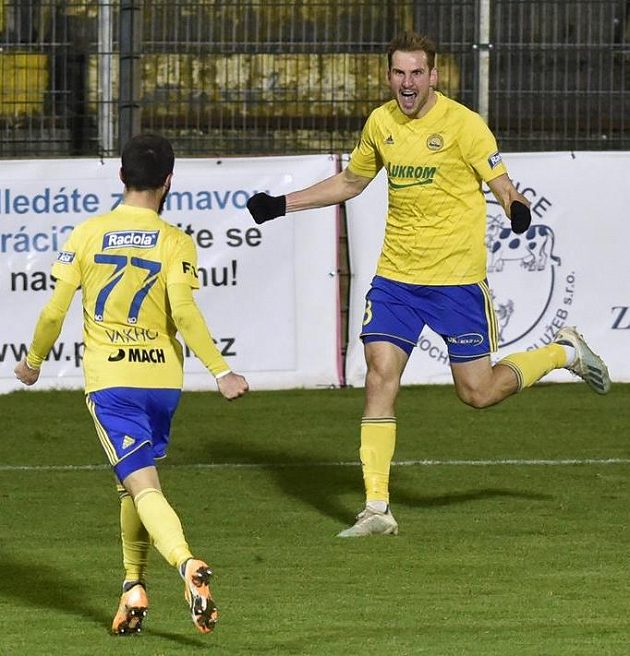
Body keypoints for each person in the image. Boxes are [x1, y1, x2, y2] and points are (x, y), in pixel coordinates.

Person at [245, 31, 611, 538]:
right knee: (379, 374)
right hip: (396, 279)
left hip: (456, 284)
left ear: (434, 76)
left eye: (417, 73)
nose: (407, 83)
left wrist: (517, 208)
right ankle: (376, 508)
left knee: (478, 394)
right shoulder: (381, 122)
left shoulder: (465, 125)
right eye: (399, 73)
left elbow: (501, 184)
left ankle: (562, 352)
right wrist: (281, 205)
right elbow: (352, 181)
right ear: (389, 75)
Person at [14, 133, 249, 633]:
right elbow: (183, 311)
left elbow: (55, 310)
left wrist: (33, 361)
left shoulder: (87, 233)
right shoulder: (175, 241)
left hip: (113, 381)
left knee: (142, 486)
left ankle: (186, 564)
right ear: (168, 182)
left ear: (122, 176)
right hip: (162, 381)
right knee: (131, 484)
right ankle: (132, 586)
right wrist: (221, 370)